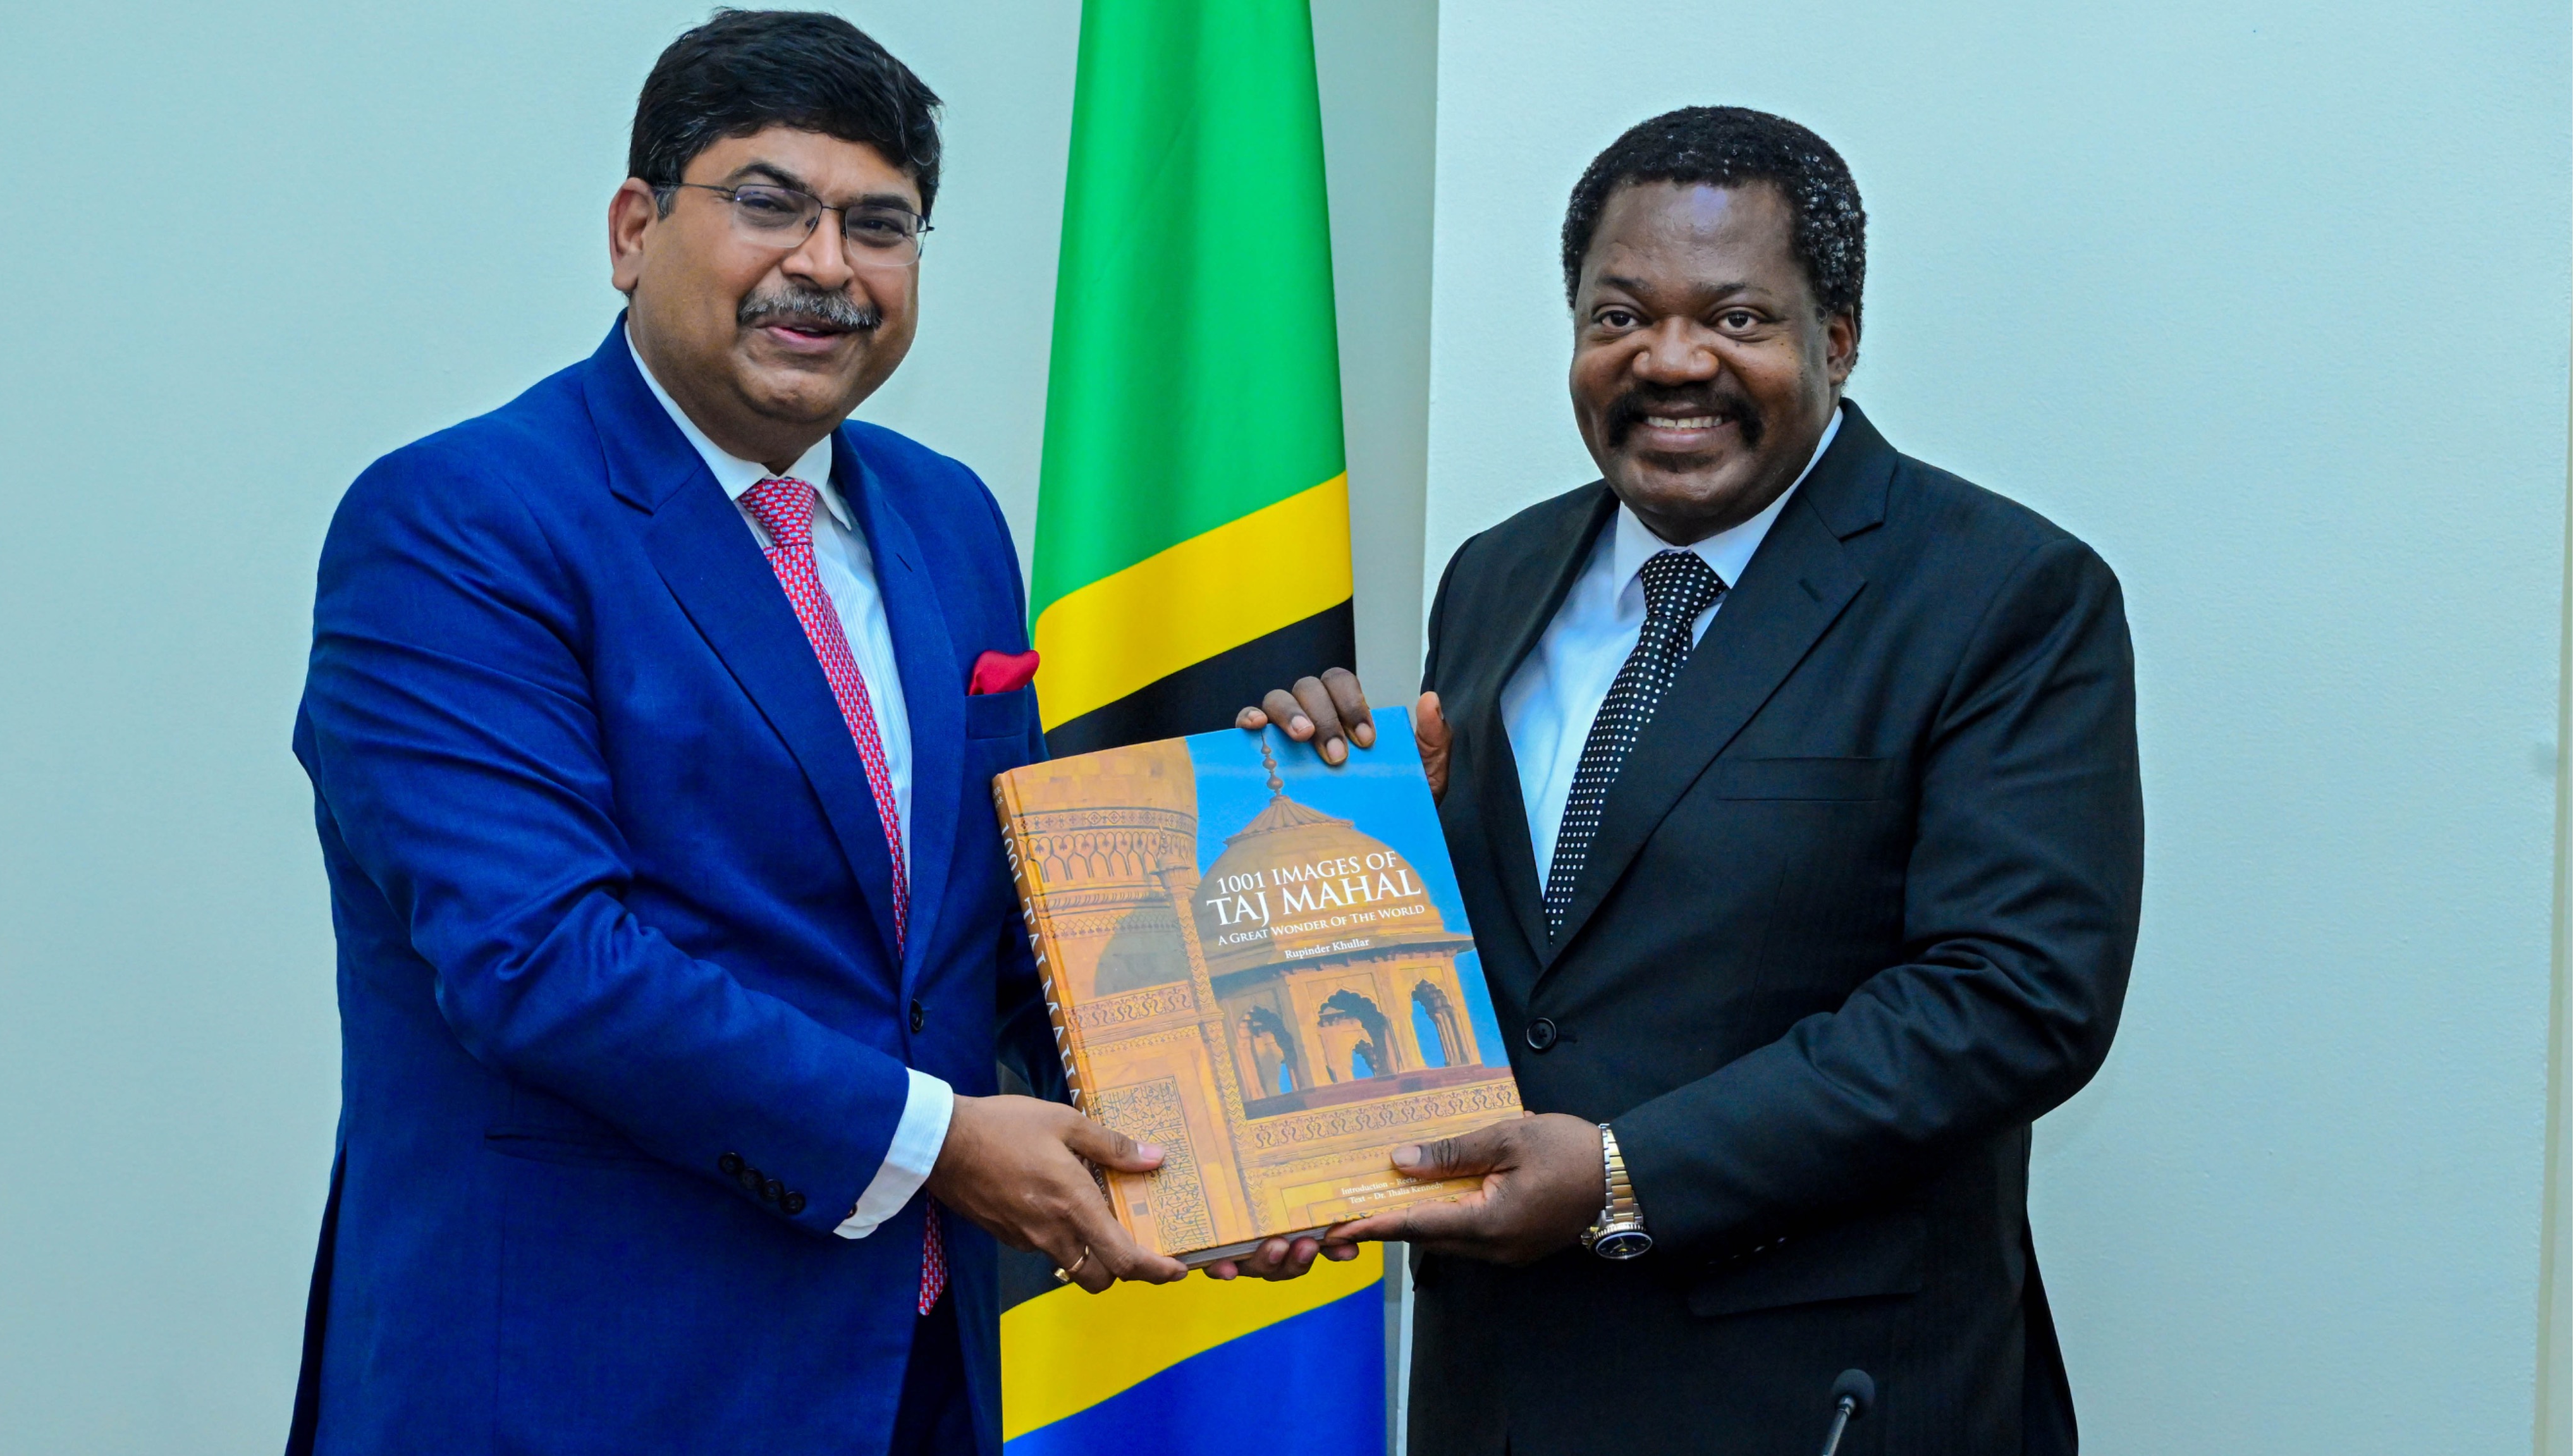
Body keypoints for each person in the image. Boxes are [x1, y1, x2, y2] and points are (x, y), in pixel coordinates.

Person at [283, 13, 1309, 1454]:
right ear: (634, 230)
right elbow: (539, 962)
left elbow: (1005, 931)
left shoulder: (947, 518)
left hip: (912, 1382)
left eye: (879, 225)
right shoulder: (460, 522)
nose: (826, 264)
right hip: (587, 1384)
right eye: (769, 205)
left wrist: (1246, 1105)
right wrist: (941, 1142)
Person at [1244, 107, 2143, 1454]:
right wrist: (1361, 837)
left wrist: (1623, 1174)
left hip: (1812, 1398)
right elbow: (1541, 963)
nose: (1670, 361)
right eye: (1619, 316)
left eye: (1735, 318)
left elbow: (2013, 998)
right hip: (1498, 1393)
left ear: (1837, 339)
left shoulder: (2000, 593)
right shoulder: (1495, 574)